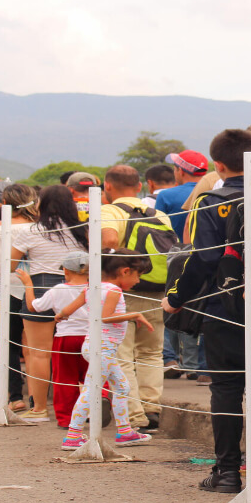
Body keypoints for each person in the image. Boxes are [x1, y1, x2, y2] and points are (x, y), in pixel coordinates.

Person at [162, 128, 251, 493]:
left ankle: (228, 471)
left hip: (224, 305)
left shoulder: (210, 202)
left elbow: (202, 259)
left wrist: (175, 297)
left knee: (227, 388)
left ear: (217, 165)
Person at [49, 249, 155, 450]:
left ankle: (125, 431)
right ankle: (73, 435)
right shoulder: (114, 291)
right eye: (137, 275)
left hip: (95, 346)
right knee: (91, 389)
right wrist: (134, 315)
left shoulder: (92, 288)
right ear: (125, 271)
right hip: (103, 348)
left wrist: (60, 315)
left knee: (121, 387)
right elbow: (105, 317)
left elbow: (68, 310)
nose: (138, 281)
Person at [100, 165, 169, 432]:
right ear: (139, 186)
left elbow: (109, 240)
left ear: (107, 186)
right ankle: (152, 408)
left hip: (124, 292)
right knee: (152, 352)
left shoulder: (109, 211)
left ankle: (134, 415)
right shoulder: (159, 214)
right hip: (157, 290)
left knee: (123, 354)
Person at [12, 185, 89, 422]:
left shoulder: (31, 231)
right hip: (78, 290)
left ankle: (39, 409)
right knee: (81, 351)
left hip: (40, 287)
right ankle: (86, 407)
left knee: (39, 353)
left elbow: (10, 263)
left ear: (41, 204)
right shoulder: (82, 230)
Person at [0, 184, 38, 410]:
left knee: (6, 350)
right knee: (32, 351)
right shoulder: (39, 228)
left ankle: (14, 398)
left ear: (4, 203)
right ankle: (36, 399)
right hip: (33, 293)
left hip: (1, 293)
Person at [16, 253, 89, 428]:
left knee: (65, 380)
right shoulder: (97, 289)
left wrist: (28, 284)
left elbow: (34, 306)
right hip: (91, 338)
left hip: (65, 338)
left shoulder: (58, 290)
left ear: (66, 271)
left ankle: (66, 418)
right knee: (92, 376)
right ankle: (98, 403)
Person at [156, 149, 209, 238]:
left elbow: (157, 231)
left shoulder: (165, 196)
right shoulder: (214, 191)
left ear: (180, 171)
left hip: (175, 247)